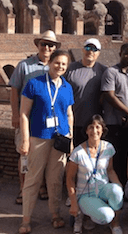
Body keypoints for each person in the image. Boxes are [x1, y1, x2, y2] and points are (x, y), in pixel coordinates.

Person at [18, 49, 74, 234]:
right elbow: (24, 114)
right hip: (39, 137)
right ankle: (26, 219)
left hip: (60, 139)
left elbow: (69, 114)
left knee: (55, 180)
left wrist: (70, 138)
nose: (60, 66)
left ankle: (55, 214)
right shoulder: (34, 84)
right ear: (50, 62)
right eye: (57, 62)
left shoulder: (67, 87)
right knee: (33, 179)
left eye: (64, 64)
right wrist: (25, 140)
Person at [10, 30, 60, 204]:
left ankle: (41, 187)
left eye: (50, 44)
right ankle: (24, 189)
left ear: (55, 48)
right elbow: (14, 90)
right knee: (25, 154)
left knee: (44, 154)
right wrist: (15, 114)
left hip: (47, 120)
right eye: (43, 44)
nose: (46, 47)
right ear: (38, 45)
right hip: (27, 118)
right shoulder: (25, 65)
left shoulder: (57, 66)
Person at [66, 115, 124, 234]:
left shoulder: (108, 147)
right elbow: (70, 179)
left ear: (102, 130)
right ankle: (83, 215)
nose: (94, 131)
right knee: (106, 215)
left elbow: (110, 170)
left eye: (98, 127)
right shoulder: (78, 152)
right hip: (85, 194)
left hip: (102, 188)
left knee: (117, 191)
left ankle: (115, 224)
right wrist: (73, 203)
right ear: (86, 130)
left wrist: (118, 186)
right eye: (91, 127)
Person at [101, 43, 128, 185]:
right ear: (120, 54)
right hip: (114, 122)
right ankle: (114, 187)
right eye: (126, 53)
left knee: (127, 155)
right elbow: (109, 95)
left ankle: (125, 186)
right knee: (114, 156)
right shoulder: (111, 72)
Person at [65, 38, 107, 146]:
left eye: (94, 49)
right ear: (83, 50)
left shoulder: (104, 71)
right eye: (88, 48)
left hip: (93, 126)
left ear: (99, 53)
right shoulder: (69, 69)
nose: (90, 51)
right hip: (71, 122)